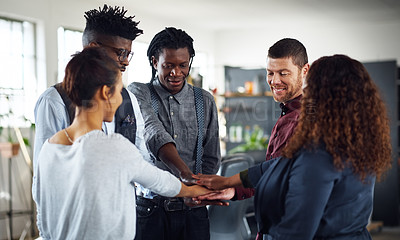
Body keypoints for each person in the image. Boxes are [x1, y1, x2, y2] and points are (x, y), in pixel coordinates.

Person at [196, 54, 392, 240]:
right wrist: (228, 183)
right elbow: (279, 166)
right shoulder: (357, 142)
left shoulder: (321, 154)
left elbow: (297, 230)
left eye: (310, 88)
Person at [32, 47, 213, 240]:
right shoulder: (113, 147)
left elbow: (41, 209)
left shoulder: (49, 148)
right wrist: (196, 191)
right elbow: (160, 181)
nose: (120, 100)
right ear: (105, 93)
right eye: (119, 91)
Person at [127, 27, 221, 240]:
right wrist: (184, 175)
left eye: (182, 65)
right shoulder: (138, 92)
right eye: (168, 66)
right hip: (150, 210)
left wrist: (197, 188)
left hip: (193, 212)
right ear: (154, 62)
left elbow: (211, 157)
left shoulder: (204, 100)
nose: (176, 73)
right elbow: (153, 132)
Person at [33, 4, 149, 173]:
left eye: (128, 54)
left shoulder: (129, 98)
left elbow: (141, 157)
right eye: (120, 52)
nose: (126, 61)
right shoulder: (54, 100)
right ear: (93, 48)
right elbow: (44, 171)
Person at [198, 38, 309, 202]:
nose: (275, 81)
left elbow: (278, 169)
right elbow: (271, 175)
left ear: (304, 70)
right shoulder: (287, 114)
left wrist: (228, 181)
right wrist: (234, 191)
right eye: (270, 73)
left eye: (284, 73)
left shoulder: (308, 120)